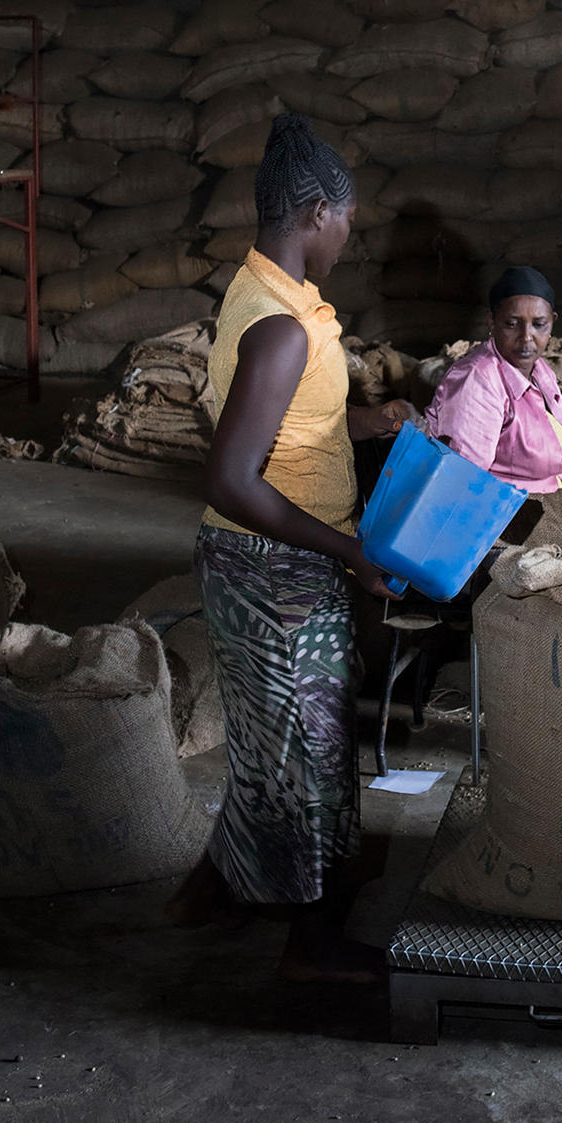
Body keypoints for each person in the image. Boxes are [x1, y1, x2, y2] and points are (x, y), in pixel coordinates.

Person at [164, 114, 409, 983]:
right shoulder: (280, 326)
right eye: (347, 220)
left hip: (278, 561)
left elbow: (287, 424)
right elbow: (231, 478)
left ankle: (213, 889)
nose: (351, 234)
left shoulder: (274, 295)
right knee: (307, 751)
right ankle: (313, 947)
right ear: (315, 213)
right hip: (272, 570)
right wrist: (345, 550)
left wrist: (365, 422)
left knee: (275, 741)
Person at [423, 265, 562, 493]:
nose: (527, 337)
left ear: (552, 322)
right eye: (512, 324)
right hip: (503, 515)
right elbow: (462, 482)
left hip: (546, 504)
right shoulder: (478, 379)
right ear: (492, 321)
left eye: (539, 324)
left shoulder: (540, 370)